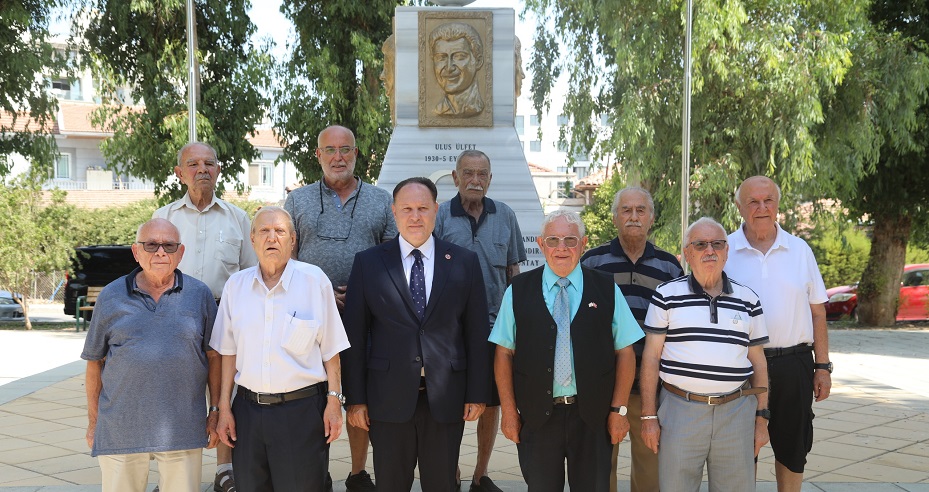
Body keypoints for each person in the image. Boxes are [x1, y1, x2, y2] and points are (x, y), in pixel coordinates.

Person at [342, 177, 491, 492]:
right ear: (394, 212)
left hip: (446, 397)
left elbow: (476, 332)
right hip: (387, 399)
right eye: (407, 209)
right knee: (391, 484)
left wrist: (478, 392)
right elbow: (354, 336)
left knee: (442, 484)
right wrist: (355, 399)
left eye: (423, 208)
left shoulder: (464, 261)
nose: (415, 216)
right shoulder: (369, 263)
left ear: (436, 210)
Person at [490, 210, 642, 491]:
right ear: (541, 243)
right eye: (554, 239)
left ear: (583, 244)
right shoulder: (518, 289)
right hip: (537, 419)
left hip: (593, 419)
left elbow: (625, 351)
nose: (562, 247)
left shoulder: (606, 287)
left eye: (570, 240)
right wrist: (509, 412)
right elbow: (503, 353)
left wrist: (619, 411)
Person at [284, 124, 396, 491]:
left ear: (356, 154)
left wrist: (366, 291)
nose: (338, 157)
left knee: (359, 399)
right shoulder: (297, 201)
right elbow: (287, 260)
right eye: (329, 150)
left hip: (368, 320)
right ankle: (316, 472)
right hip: (309, 321)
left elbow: (395, 259)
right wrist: (320, 294)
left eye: (345, 149)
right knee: (314, 400)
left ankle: (357, 472)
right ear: (318, 155)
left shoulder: (381, 201)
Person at [211, 206, 349, 492]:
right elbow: (227, 353)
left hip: (301, 412)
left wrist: (334, 402)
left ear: (292, 239)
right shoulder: (236, 286)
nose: (271, 237)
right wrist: (224, 406)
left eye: (280, 231)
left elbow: (331, 350)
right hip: (247, 413)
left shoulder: (315, 281)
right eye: (264, 231)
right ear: (252, 239)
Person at [82, 219, 220, 492]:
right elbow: (94, 362)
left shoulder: (199, 294)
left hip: (183, 427)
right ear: (136, 252)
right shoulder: (111, 296)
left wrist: (214, 412)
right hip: (120, 429)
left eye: (169, 246)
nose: (160, 253)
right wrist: (94, 422)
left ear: (180, 253)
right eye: (151, 245)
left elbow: (215, 358)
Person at [153, 141, 256, 492]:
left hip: (225, 316)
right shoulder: (163, 218)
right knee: (175, 392)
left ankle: (224, 469)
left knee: (226, 392)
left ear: (218, 170)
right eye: (193, 164)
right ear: (179, 173)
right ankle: (173, 473)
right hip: (174, 315)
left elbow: (251, 274)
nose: (202, 169)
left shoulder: (238, 218)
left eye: (209, 163)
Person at [640, 217, 770, 491]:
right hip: (679, 411)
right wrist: (649, 416)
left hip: (736, 413)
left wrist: (762, 418)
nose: (709, 250)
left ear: (726, 251)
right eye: (700, 244)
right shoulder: (666, 295)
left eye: (717, 244)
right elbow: (651, 358)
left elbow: (758, 362)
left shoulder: (749, 300)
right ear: (687, 253)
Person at [725, 176, 832, 492]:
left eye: (768, 200)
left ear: (778, 204)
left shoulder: (800, 250)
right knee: (742, 450)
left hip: (793, 362)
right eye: (753, 202)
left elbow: (818, 312)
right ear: (739, 207)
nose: (761, 208)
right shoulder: (724, 249)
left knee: (793, 447)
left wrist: (822, 367)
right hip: (740, 365)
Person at [434, 150, 526, 492]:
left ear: (490, 179)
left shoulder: (506, 216)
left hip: (495, 329)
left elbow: (514, 272)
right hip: (450, 331)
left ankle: (479, 475)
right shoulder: (441, 216)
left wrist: (519, 323)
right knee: (453, 405)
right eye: (468, 173)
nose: (475, 180)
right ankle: (452, 472)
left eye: (482, 174)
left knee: (490, 404)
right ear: (456, 178)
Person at [581, 187, 683, 492]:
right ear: (615, 218)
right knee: (600, 472)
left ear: (651, 218)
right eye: (626, 210)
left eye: (641, 210)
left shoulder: (669, 267)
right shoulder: (592, 262)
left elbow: (677, 328)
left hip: (650, 389)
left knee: (651, 473)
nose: (634, 216)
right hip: (602, 387)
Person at [430, 22, 485, 116]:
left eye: (459, 57)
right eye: (441, 58)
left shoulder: (476, 107)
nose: (449, 67)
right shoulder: (438, 109)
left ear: (478, 61)